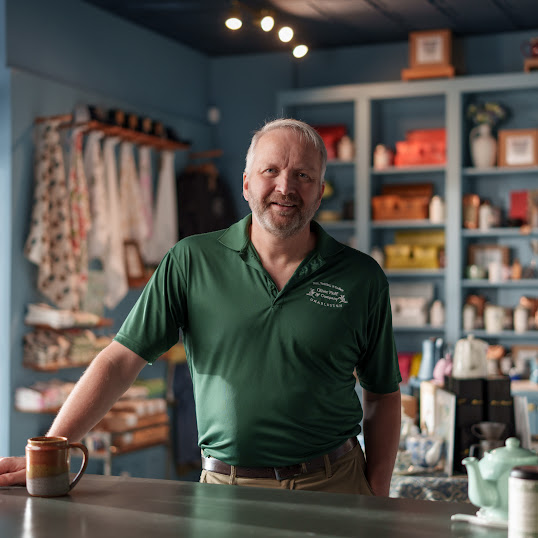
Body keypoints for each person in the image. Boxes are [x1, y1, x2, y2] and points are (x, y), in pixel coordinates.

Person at [0, 118, 401, 495]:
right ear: (245, 184)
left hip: (334, 486)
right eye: (270, 171)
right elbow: (120, 360)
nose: (285, 186)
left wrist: (377, 496)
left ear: (319, 191)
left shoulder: (360, 277)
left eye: (303, 175)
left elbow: (382, 393)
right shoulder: (191, 260)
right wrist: (53, 448)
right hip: (226, 492)